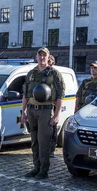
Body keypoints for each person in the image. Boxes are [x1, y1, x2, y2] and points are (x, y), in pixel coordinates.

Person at [21, 47, 64, 179]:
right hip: (32, 110)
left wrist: (56, 115)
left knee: (43, 142)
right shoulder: (31, 73)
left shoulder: (54, 74)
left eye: (44, 55)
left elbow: (60, 96)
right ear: (36, 57)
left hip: (46, 111)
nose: (42, 58)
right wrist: (23, 112)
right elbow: (26, 94)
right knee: (34, 141)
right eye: (40, 55)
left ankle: (43, 171)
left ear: (48, 57)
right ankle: (36, 167)